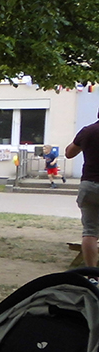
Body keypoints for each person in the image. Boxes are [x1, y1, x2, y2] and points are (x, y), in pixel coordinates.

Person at [67, 113, 99, 267]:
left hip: (89, 185)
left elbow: (69, 153)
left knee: (90, 232)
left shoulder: (88, 131)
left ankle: (92, 274)